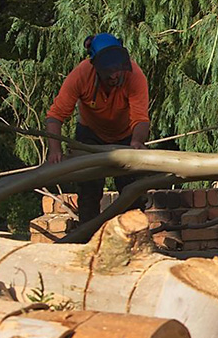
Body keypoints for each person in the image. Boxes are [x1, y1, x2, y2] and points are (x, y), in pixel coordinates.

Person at [45, 33, 151, 229]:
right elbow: (55, 116)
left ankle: (135, 235)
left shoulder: (135, 76)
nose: (115, 76)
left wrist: (137, 142)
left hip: (126, 137)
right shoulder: (81, 75)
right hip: (90, 135)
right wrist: (55, 151)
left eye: (118, 70)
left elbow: (141, 118)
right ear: (96, 66)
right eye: (108, 72)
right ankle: (87, 236)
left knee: (132, 190)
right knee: (89, 190)